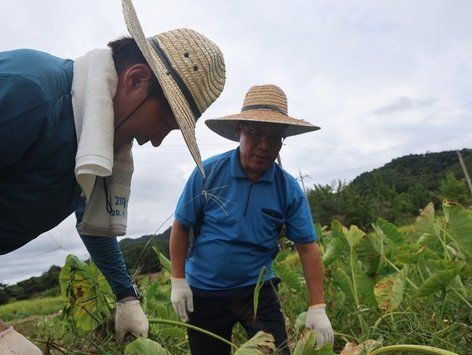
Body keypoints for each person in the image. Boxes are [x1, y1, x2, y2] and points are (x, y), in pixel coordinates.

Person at [0, 0, 225, 352]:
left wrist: (125, 296)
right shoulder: (31, 93)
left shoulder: (93, 139)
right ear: (136, 80)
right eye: (166, 123)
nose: (155, 141)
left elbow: (93, 218)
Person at [169, 84, 334, 354]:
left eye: (274, 137)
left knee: (277, 351)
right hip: (204, 290)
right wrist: (178, 279)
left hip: (256, 291)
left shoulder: (287, 188)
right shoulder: (208, 172)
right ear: (239, 132)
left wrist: (318, 306)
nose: (264, 146)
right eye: (255, 134)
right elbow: (181, 226)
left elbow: (307, 247)